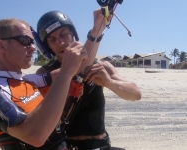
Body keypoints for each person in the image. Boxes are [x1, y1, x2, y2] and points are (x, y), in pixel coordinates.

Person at [0, 18, 87, 150]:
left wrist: (96, 31)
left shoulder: (30, 81)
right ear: (1, 45)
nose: (33, 48)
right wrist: (66, 72)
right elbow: (35, 136)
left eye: (32, 42)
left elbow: (76, 66)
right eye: (25, 41)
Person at [36, 9, 142, 150]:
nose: (60, 42)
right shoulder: (45, 73)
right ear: (47, 45)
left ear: (73, 33)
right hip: (67, 145)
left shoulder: (101, 66)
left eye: (63, 34)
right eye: (52, 39)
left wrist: (110, 83)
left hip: (101, 144)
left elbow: (136, 94)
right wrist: (95, 32)